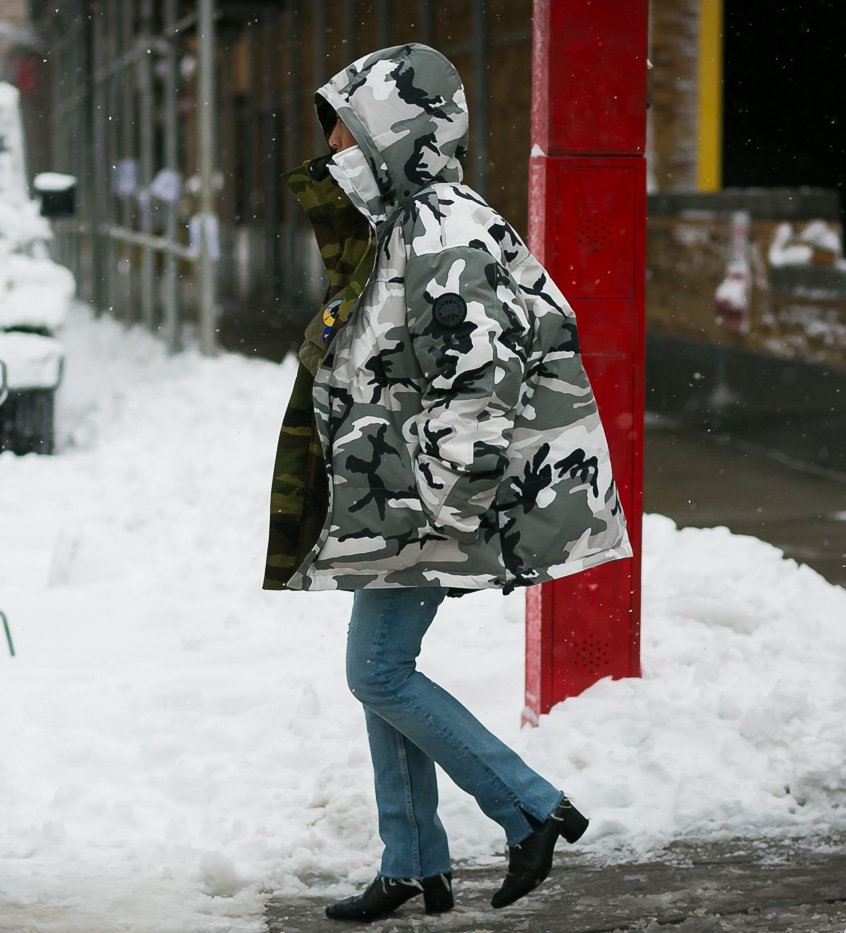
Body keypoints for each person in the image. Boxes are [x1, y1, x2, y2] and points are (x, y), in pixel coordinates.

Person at [261, 43, 633, 922]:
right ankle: (414, 864)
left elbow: (477, 374)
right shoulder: (406, 220)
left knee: (379, 671)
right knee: (381, 668)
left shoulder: (445, 230)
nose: (333, 149)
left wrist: (450, 499)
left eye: (348, 132)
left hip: (428, 496)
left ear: (399, 132)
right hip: (397, 496)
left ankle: (530, 807)